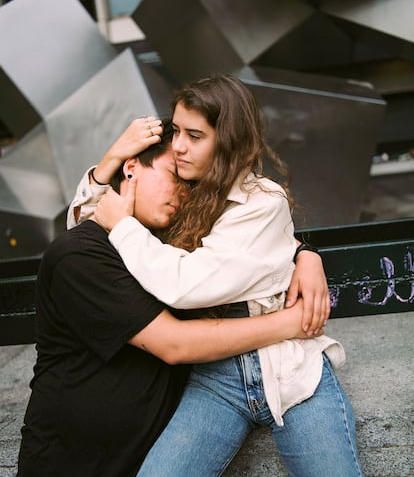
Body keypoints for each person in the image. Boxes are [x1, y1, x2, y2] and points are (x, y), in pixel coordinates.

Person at [68, 75, 362, 476]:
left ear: (228, 140)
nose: (178, 146)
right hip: (214, 376)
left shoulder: (263, 200)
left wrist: (305, 254)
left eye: (194, 135)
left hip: (288, 368)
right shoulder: (181, 188)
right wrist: (113, 159)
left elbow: (186, 285)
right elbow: (87, 233)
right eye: (175, 131)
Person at [17, 124, 318, 477]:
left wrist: (305, 253)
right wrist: (290, 323)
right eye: (175, 176)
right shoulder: (80, 253)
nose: (184, 194)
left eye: (191, 186)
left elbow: (251, 242)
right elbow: (174, 344)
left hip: (145, 460)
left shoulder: (167, 247)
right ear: (131, 168)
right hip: (69, 465)